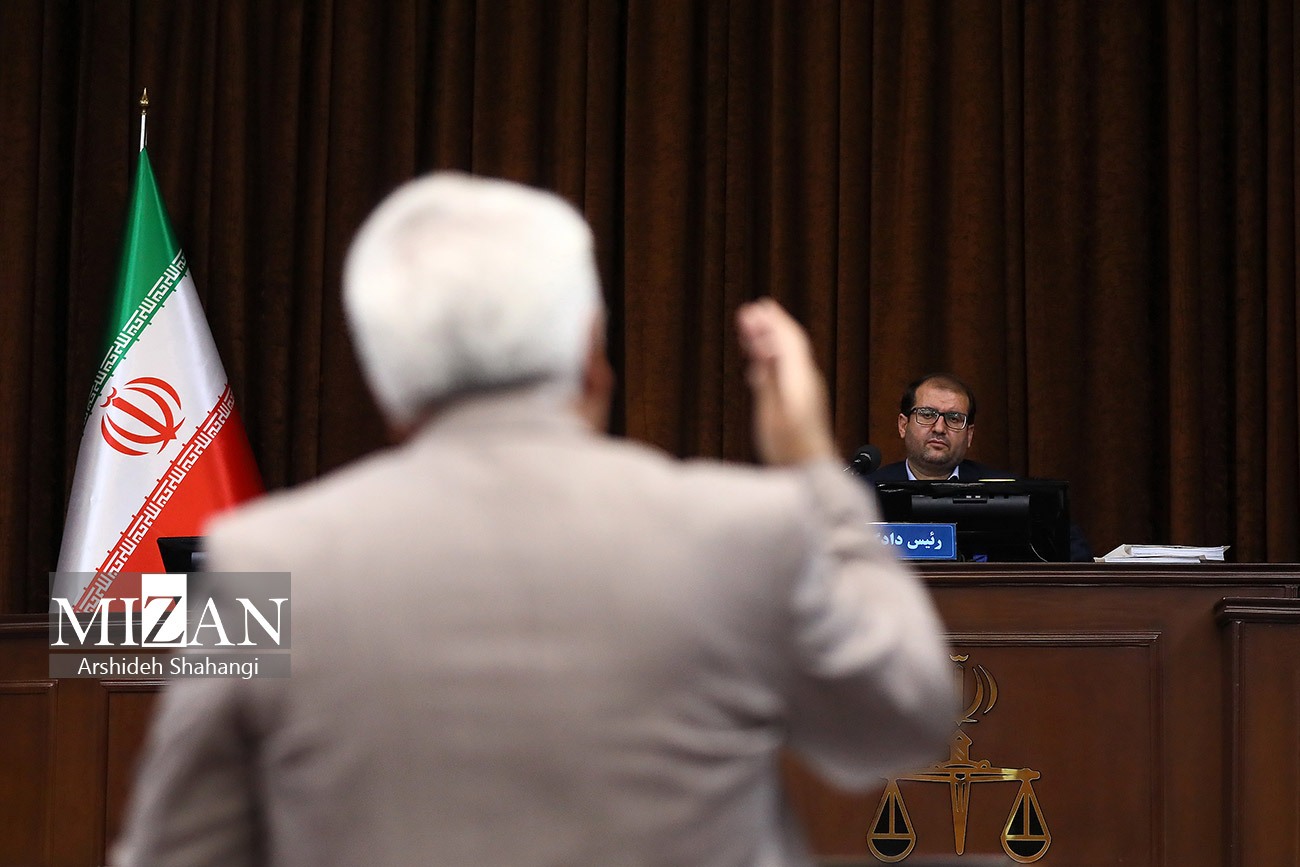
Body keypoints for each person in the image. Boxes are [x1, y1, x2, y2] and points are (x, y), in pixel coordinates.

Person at [112, 173, 954, 867]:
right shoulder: (743, 529)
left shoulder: (260, 561)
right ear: (592, 355)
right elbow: (908, 717)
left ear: (388, 383)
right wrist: (814, 471)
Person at [868, 372, 1092, 560]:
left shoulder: (1010, 491)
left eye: (954, 418)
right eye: (927, 415)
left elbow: (1077, 554)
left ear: (969, 435)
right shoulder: (864, 493)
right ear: (903, 425)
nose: (939, 428)